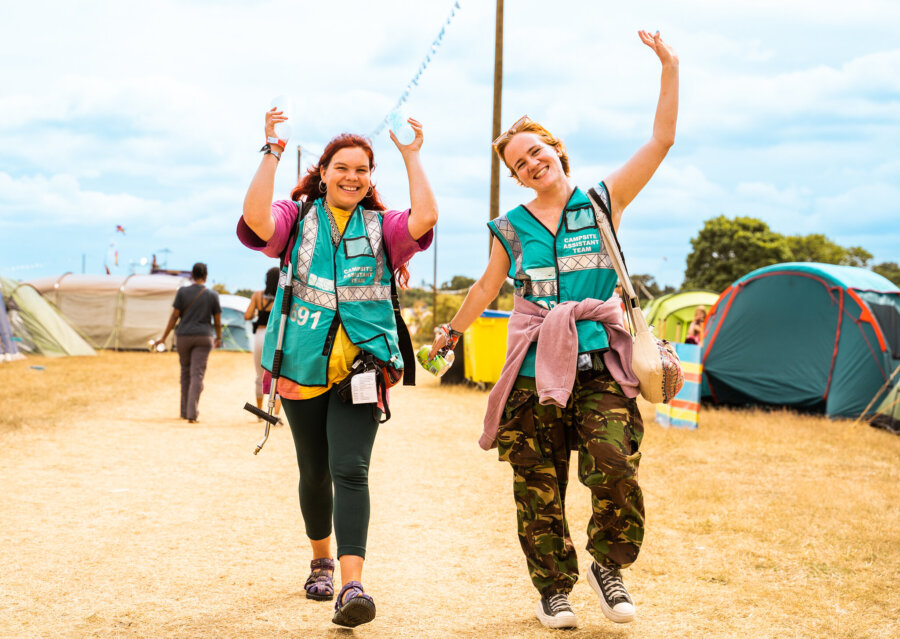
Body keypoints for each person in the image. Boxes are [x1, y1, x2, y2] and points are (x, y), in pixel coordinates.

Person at [429, 30, 678, 630]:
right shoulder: (508, 227)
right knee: (537, 485)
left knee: (614, 464)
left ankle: (607, 567)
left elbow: (662, 139)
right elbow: (487, 289)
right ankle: (553, 590)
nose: (532, 163)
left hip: (601, 366)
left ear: (556, 149)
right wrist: (452, 332)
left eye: (537, 151)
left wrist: (669, 65)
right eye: (520, 163)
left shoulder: (602, 201)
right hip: (535, 369)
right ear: (515, 177)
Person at [237, 108, 437, 628]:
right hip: (301, 367)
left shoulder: (382, 228)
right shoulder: (297, 219)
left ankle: (352, 586)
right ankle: (320, 560)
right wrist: (272, 152)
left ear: (371, 179)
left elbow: (424, 219)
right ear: (323, 172)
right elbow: (257, 220)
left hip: (363, 371)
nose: (352, 177)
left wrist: (412, 158)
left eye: (363, 170)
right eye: (342, 167)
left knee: (351, 470)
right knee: (315, 471)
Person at [158, 262, 223, 423]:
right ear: (206, 276)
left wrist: (164, 337)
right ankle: (192, 413)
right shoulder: (212, 295)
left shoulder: (182, 292)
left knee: (185, 373)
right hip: (203, 337)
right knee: (197, 375)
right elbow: (217, 320)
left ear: (192, 276)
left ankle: (183, 411)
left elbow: (174, 317)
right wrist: (218, 337)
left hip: (183, 337)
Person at [244, 267, 281, 418]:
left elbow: (247, 316)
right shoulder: (282, 296)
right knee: (278, 376)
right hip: (276, 336)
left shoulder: (257, 296)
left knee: (259, 375)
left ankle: (260, 413)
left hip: (260, 335)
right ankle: (276, 416)